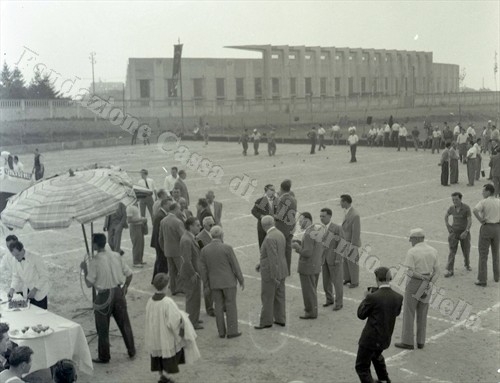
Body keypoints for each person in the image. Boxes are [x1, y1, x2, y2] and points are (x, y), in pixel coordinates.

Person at [80, 233, 135, 363]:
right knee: (124, 323)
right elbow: (130, 274)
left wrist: (85, 269)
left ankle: (104, 356)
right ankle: (131, 350)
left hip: (104, 296)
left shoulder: (94, 262)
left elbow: (88, 284)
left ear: (95, 244)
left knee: (102, 328)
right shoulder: (116, 255)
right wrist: (124, 288)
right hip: (118, 292)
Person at [145, 273, 200, 383]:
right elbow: (174, 321)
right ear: (166, 286)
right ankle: (166, 377)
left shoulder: (150, 301)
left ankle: (161, 374)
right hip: (166, 334)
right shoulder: (167, 302)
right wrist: (182, 329)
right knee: (169, 356)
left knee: (158, 355)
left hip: (155, 334)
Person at [355, 267, 403, 383]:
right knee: (377, 357)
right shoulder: (398, 297)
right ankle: (385, 379)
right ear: (389, 278)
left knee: (361, 367)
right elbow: (396, 313)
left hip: (370, 338)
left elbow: (361, 314)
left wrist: (365, 298)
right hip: (385, 337)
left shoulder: (372, 297)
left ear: (377, 278)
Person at [395, 228, 439, 350]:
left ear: (417, 238)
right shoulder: (433, 250)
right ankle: (420, 341)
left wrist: (422, 278)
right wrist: (429, 282)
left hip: (415, 283)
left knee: (409, 311)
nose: (411, 241)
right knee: (423, 312)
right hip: (428, 282)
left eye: (412, 239)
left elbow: (410, 272)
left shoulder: (412, 252)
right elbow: (437, 271)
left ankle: (408, 341)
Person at [200, 226, 244, 339]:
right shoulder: (227, 248)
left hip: (214, 282)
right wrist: (241, 279)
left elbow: (203, 269)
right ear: (221, 235)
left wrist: (206, 283)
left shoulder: (205, 250)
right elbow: (235, 265)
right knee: (231, 305)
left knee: (218, 307)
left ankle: (221, 332)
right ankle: (232, 330)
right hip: (228, 281)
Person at [254, 216, 288, 329]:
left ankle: (266, 321)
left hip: (271, 273)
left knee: (267, 297)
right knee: (280, 296)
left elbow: (273, 259)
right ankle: (280, 318)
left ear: (264, 226)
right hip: (282, 269)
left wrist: (274, 276)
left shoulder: (269, 238)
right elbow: (278, 254)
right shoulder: (279, 233)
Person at [292, 212, 324, 320]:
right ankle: (313, 310)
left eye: (301, 221)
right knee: (312, 290)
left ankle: (311, 312)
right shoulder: (315, 230)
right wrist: (301, 243)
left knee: (308, 291)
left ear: (307, 220)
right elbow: (314, 248)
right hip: (315, 265)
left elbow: (307, 252)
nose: (299, 223)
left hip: (308, 267)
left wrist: (297, 247)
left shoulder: (308, 233)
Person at [8, 241, 50, 309]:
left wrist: (35, 289)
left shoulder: (35, 257)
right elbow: (16, 276)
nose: (16, 258)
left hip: (39, 293)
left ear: (22, 249)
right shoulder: (14, 259)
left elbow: (45, 276)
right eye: (14, 255)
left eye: (17, 255)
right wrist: (12, 289)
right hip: (26, 293)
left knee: (41, 317)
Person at [472, 184, 500, 286]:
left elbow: (475, 210)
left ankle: (482, 279)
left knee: (483, 254)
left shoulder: (484, 202)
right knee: (496, 253)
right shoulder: (498, 201)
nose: (482, 193)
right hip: (497, 228)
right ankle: (497, 276)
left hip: (487, 227)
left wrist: (480, 220)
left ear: (488, 191)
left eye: (484, 191)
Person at [179, 217, 203, 329]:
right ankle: (192, 322)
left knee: (195, 297)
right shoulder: (187, 240)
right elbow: (187, 260)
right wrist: (193, 273)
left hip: (193, 272)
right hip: (190, 273)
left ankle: (194, 318)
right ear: (190, 226)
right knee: (192, 298)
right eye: (197, 225)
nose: (200, 227)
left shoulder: (190, 237)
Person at [319, 208, 343, 311]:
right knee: (326, 282)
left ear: (329, 216)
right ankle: (329, 299)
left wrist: (338, 258)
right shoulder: (321, 228)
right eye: (320, 216)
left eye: (323, 216)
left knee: (337, 282)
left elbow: (342, 244)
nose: (321, 218)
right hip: (324, 259)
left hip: (334, 259)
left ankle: (339, 303)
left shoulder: (337, 228)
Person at [159, 203, 185, 295]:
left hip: (168, 250)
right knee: (182, 269)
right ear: (175, 209)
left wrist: (164, 248)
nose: (180, 211)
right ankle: (181, 287)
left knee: (171, 271)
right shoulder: (177, 222)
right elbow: (183, 237)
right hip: (177, 250)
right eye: (179, 209)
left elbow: (160, 238)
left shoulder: (163, 221)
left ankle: (173, 289)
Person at [444, 192, 472, 277]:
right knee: (452, 251)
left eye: (456, 199)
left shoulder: (466, 208)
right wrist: (447, 225)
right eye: (453, 200)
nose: (454, 201)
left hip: (464, 232)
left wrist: (466, 231)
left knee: (466, 250)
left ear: (460, 199)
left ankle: (467, 264)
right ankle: (450, 270)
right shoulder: (452, 208)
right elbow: (446, 216)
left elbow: (470, 221)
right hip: (454, 232)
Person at [274, 180, 297, 275]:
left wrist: (272, 216)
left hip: (282, 228)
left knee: (280, 249)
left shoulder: (283, 199)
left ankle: (281, 270)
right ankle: (287, 269)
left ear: (281, 188)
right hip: (291, 226)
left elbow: (280, 215)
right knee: (288, 249)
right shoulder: (293, 198)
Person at [196, 216, 215, 317]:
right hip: (206, 265)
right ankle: (209, 308)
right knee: (207, 287)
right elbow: (201, 253)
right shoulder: (199, 237)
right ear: (204, 226)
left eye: (213, 224)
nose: (212, 227)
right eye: (210, 225)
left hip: (215, 263)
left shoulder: (215, 232)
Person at [340, 194, 361, 288]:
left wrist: (353, 244)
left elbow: (356, 231)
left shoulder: (355, 215)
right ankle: (348, 278)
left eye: (341, 201)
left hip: (351, 242)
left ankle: (355, 281)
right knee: (345, 261)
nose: (340, 203)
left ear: (345, 202)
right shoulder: (347, 212)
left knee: (352, 262)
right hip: (345, 240)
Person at [151, 199, 171, 284]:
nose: (170, 207)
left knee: (159, 261)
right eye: (169, 205)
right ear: (164, 205)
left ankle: (155, 279)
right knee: (161, 262)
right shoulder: (160, 216)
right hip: (159, 243)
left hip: (158, 242)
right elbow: (158, 232)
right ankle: (159, 281)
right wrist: (161, 244)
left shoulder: (161, 214)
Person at [126, 202, 147, 267]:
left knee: (141, 244)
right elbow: (129, 220)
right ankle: (136, 261)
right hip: (135, 227)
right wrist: (141, 219)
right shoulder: (130, 207)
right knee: (137, 244)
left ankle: (140, 260)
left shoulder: (136, 206)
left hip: (139, 226)